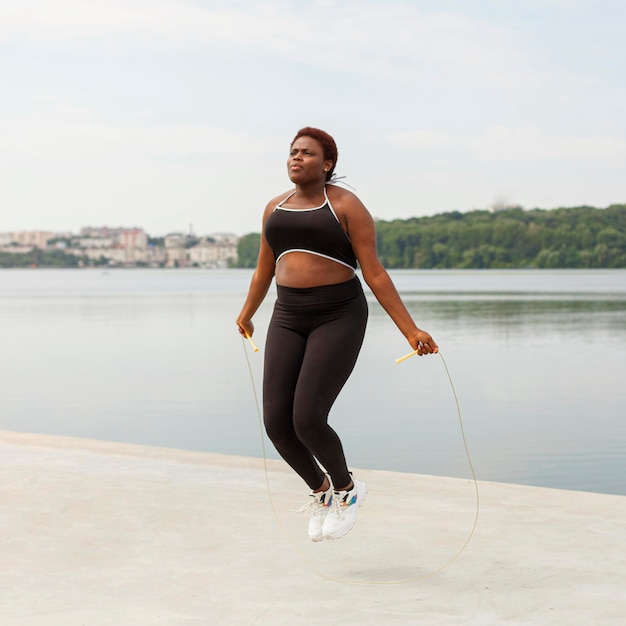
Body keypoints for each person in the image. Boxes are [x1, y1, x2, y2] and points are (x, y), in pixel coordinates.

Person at [236, 127, 438, 542]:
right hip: (287, 314)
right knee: (277, 422)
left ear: (327, 164)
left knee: (308, 417)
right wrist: (247, 313)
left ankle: (347, 490)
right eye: (292, 152)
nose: (296, 158)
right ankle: (322, 492)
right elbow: (264, 269)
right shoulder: (275, 208)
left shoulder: (345, 205)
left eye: (307, 153)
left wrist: (409, 330)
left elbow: (375, 273)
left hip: (338, 314)